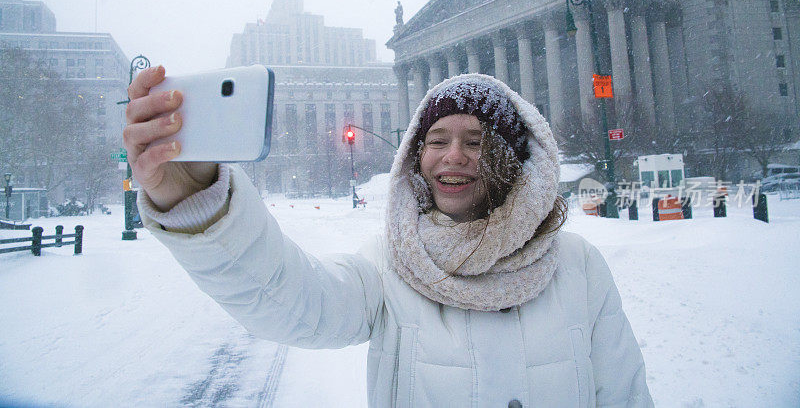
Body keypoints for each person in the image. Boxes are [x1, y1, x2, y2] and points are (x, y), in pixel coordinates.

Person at [124, 67, 653, 407]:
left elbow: (625, 396)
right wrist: (201, 205)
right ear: (415, 158)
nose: (453, 156)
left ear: (512, 161)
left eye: (476, 141)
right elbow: (290, 300)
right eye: (437, 140)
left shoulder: (579, 267)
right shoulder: (388, 264)